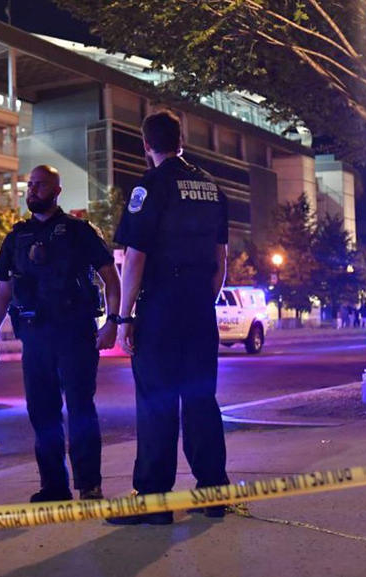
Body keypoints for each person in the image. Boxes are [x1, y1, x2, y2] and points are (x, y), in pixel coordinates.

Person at [108, 110, 230, 525]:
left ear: (146, 145)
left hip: (162, 304)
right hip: (199, 304)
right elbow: (220, 258)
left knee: (156, 400)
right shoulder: (211, 186)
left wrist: (124, 318)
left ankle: (154, 501)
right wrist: (203, 299)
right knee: (200, 398)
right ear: (181, 140)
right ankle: (213, 493)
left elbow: (135, 257)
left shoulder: (150, 186)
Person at [0, 165, 122, 502]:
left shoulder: (79, 231)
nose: (32, 191)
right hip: (35, 337)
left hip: (75, 334)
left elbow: (111, 279)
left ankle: (89, 485)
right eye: (29, 185)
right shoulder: (16, 238)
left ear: (57, 190)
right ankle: (54, 486)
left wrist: (113, 322)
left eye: (40, 185)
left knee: (80, 409)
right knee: (42, 412)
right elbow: (2, 291)